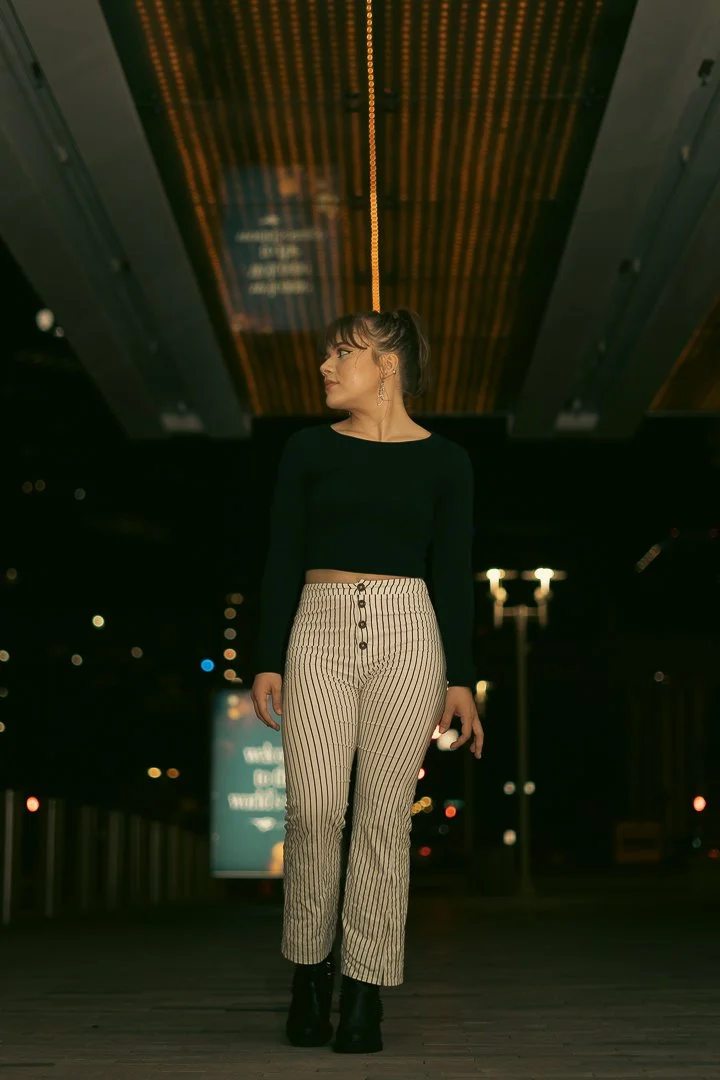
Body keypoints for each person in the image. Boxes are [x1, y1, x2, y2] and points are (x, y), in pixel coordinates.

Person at [251, 308, 484, 1054]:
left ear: (388, 364)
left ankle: (365, 992)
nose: (325, 367)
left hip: (409, 630)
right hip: (316, 628)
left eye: (342, 354)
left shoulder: (447, 461)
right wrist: (265, 657)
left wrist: (461, 677)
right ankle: (309, 972)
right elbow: (281, 552)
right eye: (327, 355)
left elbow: (452, 571)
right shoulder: (306, 450)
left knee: (384, 819)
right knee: (315, 811)